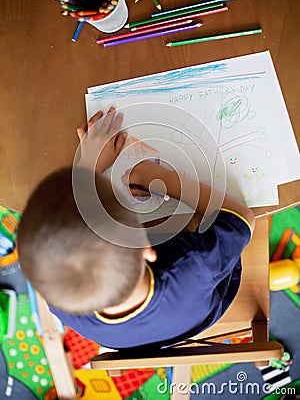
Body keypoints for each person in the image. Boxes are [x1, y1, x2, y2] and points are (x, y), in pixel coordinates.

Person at [17, 107, 255, 350]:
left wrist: (89, 165)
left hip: (134, 337)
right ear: (146, 246)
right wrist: (163, 178)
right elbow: (241, 219)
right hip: (203, 305)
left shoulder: (61, 301)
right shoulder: (193, 264)